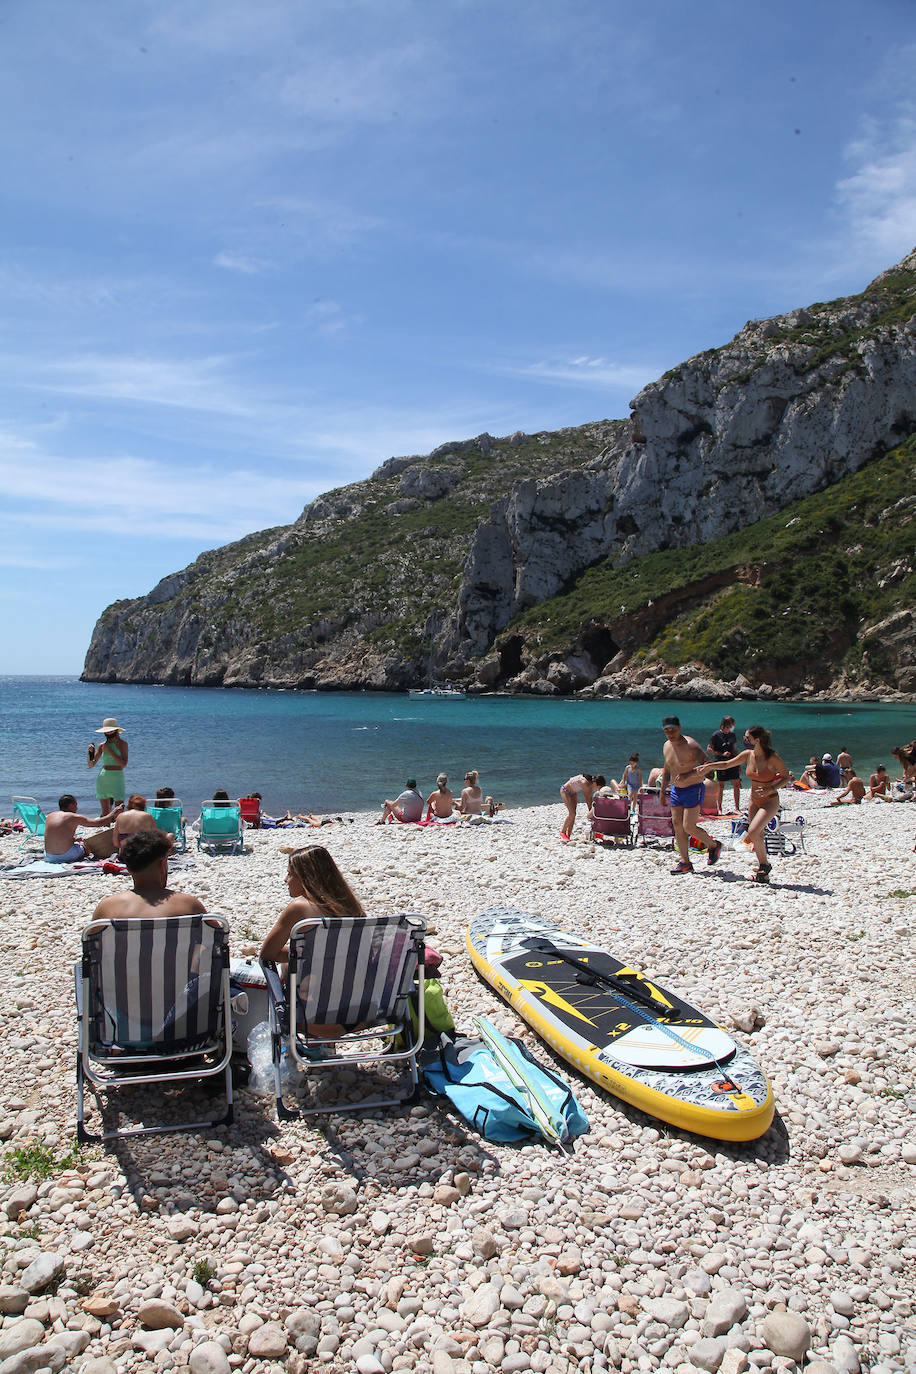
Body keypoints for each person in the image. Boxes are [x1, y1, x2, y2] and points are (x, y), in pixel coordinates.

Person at [260, 846, 366, 1038]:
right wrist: (312, 952)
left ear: (306, 878)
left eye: (290, 874)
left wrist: (304, 953)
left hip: (313, 1016)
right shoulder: (352, 908)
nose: (286, 880)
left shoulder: (300, 908)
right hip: (360, 1012)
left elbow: (267, 954)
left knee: (287, 966)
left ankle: (309, 1047)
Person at [697, 725, 790, 883]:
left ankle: (765, 865)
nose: (745, 740)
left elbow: (786, 776)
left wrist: (772, 788)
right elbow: (727, 764)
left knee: (753, 831)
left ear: (757, 740)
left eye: (747, 737)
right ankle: (763, 871)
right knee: (756, 835)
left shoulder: (772, 757)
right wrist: (710, 766)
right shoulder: (748, 755)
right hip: (753, 799)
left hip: (770, 800)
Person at [90, 830, 206, 919]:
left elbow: (93, 947)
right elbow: (215, 943)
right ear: (162, 865)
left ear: (128, 868)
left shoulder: (107, 908)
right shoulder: (190, 906)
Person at [660, 717, 722, 875]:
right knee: (677, 825)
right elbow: (667, 769)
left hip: (693, 788)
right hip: (676, 790)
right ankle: (685, 862)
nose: (670, 733)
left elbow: (709, 768)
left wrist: (688, 774)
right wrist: (661, 791)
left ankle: (713, 845)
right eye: (667, 730)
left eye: (673, 729)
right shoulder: (666, 746)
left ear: (680, 727)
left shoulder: (691, 745)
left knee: (689, 826)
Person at [43, 794, 123, 864]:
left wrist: (73, 839)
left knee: (77, 843)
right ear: (70, 805)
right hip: (65, 856)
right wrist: (114, 812)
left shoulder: (50, 816)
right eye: (75, 804)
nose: (77, 808)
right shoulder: (73, 817)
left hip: (49, 856)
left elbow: (57, 835)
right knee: (86, 846)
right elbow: (98, 823)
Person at [87, 718, 128, 816]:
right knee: (105, 812)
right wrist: (90, 753)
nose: (109, 732)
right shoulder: (102, 745)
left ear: (116, 730)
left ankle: (119, 830)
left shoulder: (123, 744)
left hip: (117, 776)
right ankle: (106, 829)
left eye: (111, 730)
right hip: (104, 777)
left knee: (119, 811)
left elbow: (123, 764)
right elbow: (91, 765)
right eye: (107, 731)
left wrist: (110, 751)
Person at [707, 716, 741, 813]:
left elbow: (734, 748)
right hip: (721, 762)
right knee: (721, 785)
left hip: (732, 761)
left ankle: (737, 808)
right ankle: (720, 808)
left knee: (736, 784)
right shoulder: (716, 735)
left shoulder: (732, 735)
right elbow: (709, 749)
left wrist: (738, 762)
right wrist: (721, 754)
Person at [559, 773, 596, 841]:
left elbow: (590, 799)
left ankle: (568, 836)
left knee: (573, 814)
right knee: (572, 814)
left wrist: (591, 812)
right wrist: (591, 812)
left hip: (573, 793)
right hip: (565, 791)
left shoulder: (588, 783)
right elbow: (587, 799)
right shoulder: (584, 782)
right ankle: (563, 832)